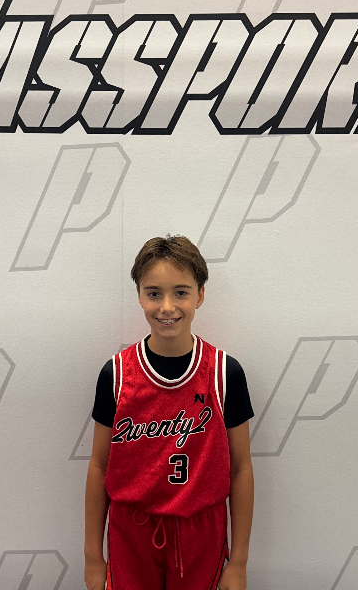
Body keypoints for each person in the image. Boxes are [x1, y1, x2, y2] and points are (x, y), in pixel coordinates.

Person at [84, 235, 255, 590]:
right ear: (139, 296)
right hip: (131, 530)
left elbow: (240, 469)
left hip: (200, 530)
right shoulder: (116, 375)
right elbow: (99, 466)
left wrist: (239, 560)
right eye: (153, 293)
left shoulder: (224, 373)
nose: (166, 306)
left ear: (200, 295)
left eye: (180, 292)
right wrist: (92, 556)